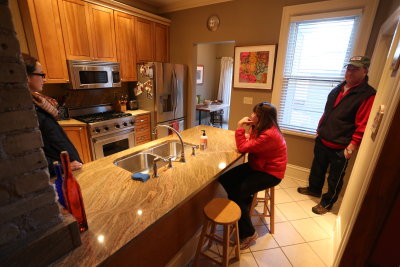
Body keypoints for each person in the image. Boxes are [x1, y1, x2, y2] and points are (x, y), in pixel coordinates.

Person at [297, 56, 376, 215]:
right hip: (323, 138)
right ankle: (314, 189)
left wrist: (352, 146)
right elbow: (328, 113)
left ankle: (327, 203)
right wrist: (320, 129)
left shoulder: (367, 94)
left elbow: (363, 123)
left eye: (356, 69)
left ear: (365, 71)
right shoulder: (338, 89)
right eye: (349, 68)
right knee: (317, 168)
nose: (350, 72)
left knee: (335, 178)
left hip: (342, 146)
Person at [219, 102, 287, 250]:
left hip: (270, 173)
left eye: (255, 114)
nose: (251, 115)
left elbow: (243, 147)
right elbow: (252, 141)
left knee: (235, 194)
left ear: (262, 118)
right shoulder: (265, 128)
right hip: (259, 165)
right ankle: (247, 202)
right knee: (224, 179)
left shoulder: (269, 135)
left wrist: (239, 127)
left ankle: (249, 233)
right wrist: (249, 131)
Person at [22, 53, 82, 176]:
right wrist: (60, 167)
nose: (44, 79)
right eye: (41, 74)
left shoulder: (36, 102)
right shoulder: (24, 111)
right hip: (58, 174)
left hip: (68, 169)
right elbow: (28, 156)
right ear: (26, 77)